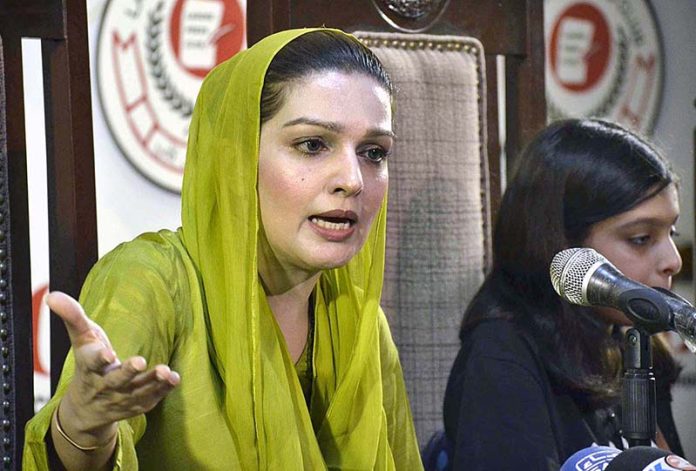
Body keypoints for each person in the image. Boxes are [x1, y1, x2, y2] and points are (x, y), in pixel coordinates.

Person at [23, 28, 423, 470]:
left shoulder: (359, 318)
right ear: (234, 158)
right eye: (312, 145)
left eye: (373, 152)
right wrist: (83, 425)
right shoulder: (152, 280)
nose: (353, 179)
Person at [441, 118, 684, 469]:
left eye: (671, 234)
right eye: (641, 238)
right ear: (563, 248)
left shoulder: (633, 345)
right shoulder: (500, 358)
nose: (672, 261)